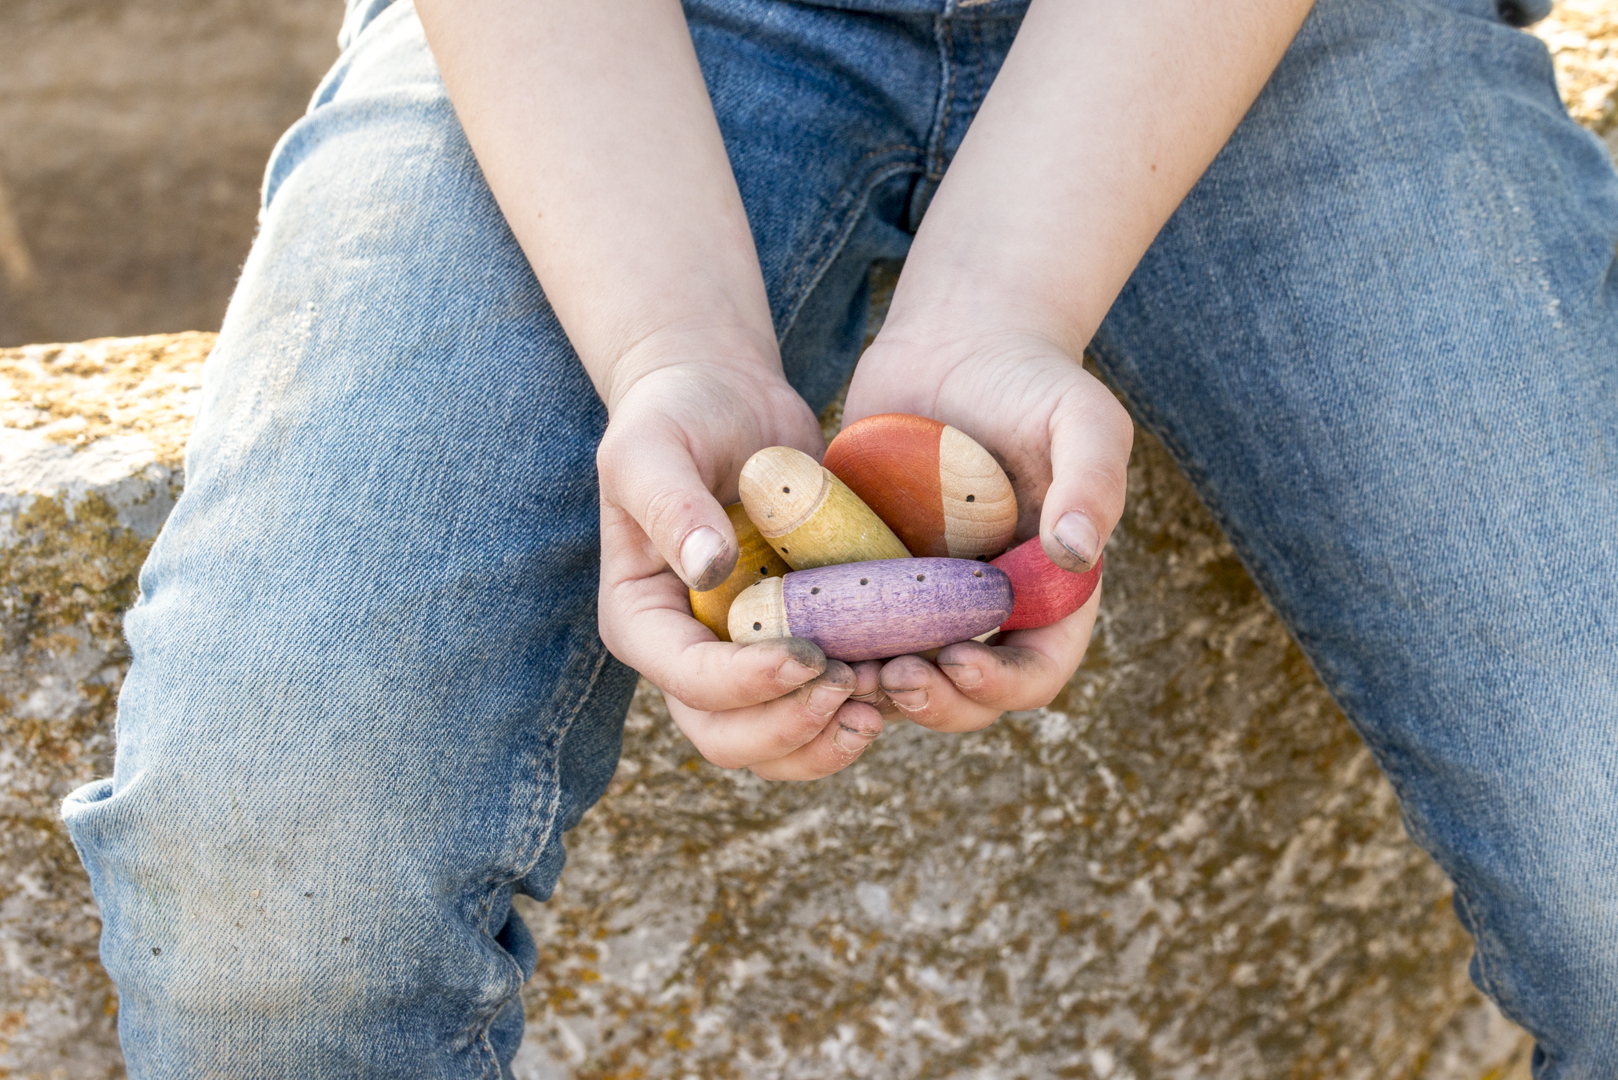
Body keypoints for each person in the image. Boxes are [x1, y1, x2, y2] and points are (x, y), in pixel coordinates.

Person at [60, 0, 1618, 1075]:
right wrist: (671, 345)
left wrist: (1003, 298)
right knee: (267, 854)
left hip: (1272, 36)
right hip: (610, 53)